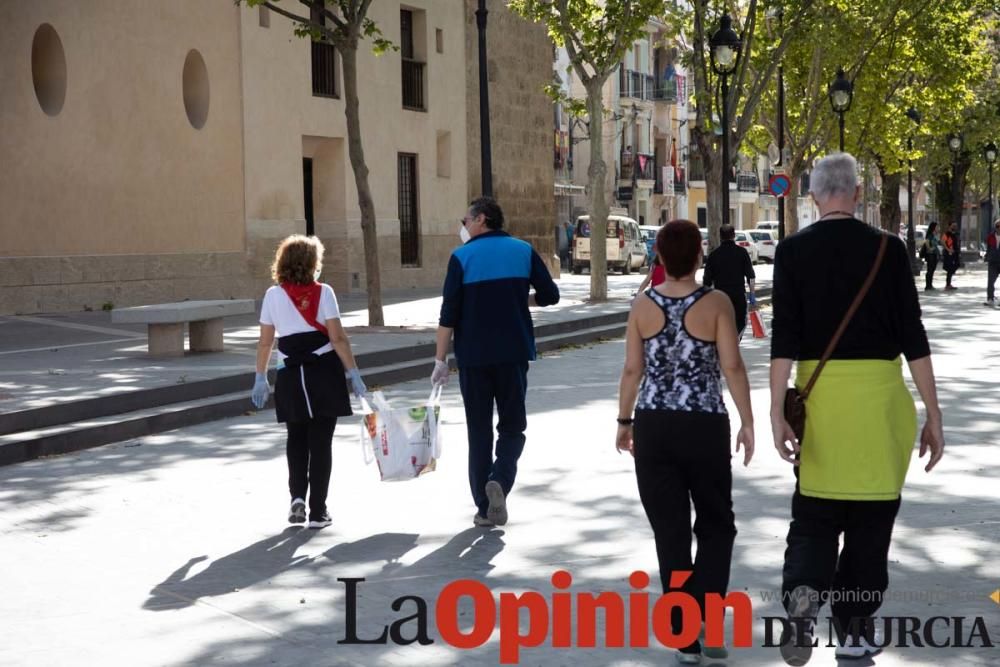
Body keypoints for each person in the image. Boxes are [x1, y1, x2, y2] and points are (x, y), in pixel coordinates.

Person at [769, 153, 945, 663]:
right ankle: (855, 630)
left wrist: (778, 411)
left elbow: (784, 342)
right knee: (871, 524)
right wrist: (933, 414)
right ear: (858, 195)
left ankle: (804, 592)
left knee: (814, 516)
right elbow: (915, 338)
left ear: (814, 195)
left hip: (821, 404)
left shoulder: (791, 252)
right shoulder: (890, 251)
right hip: (878, 406)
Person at [617, 219, 754, 665]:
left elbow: (632, 370)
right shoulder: (716, 303)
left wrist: (624, 420)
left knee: (671, 533)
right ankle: (708, 625)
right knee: (717, 525)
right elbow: (732, 366)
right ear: (699, 256)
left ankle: (685, 636)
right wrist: (747, 420)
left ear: (658, 256)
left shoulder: (642, 305)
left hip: (654, 426)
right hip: (704, 425)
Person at [433, 197, 560, 527]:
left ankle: (483, 508)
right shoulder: (522, 250)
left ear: (482, 219)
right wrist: (521, 297)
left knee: (479, 431)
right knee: (513, 426)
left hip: (473, 358)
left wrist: (439, 360)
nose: (463, 227)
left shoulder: (461, 257)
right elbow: (550, 295)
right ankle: (500, 480)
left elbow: (449, 314)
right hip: (513, 354)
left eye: (466, 220)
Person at [251, 235, 367, 529]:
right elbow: (337, 338)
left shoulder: (272, 296)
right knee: (321, 443)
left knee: (296, 438)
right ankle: (318, 510)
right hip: (323, 372)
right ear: (312, 263)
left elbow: (265, 343)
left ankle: (296, 498)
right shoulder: (324, 292)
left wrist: (260, 376)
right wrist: (353, 372)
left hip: (290, 374)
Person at [703, 225, 756, 338]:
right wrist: (752, 295)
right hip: (738, 294)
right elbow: (751, 276)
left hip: (720, 296)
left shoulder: (714, 255)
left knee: (722, 322)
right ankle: (735, 341)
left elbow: (707, 280)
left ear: (720, 236)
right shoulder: (742, 252)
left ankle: (726, 342)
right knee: (740, 321)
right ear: (734, 236)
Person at [921, 221, 941, 291]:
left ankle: (930, 285)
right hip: (930, 255)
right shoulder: (930, 235)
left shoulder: (934, 235)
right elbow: (927, 242)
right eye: (937, 226)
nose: (938, 228)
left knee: (932, 270)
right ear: (933, 227)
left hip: (934, 254)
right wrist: (930, 248)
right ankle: (927, 286)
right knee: (930, 270)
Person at [984, 219, 1000, 307]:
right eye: (998, 226)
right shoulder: (990, 236)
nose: (999, 228)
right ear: (995, 227)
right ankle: (990, 298)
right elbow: (988, 248)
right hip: (993, 262)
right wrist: (988, 257)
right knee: (991, 281)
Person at [942, 221, 960, 290]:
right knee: (949, 268)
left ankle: (949, 283)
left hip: (955, 253)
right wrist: (948, 249)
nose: (955, 227)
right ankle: (948, 285)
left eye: (955, 226)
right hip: (949, 254)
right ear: (950, 226)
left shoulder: (955, 234)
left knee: (957, 264)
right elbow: (943, 241)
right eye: (953, 226)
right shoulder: (947, 234)